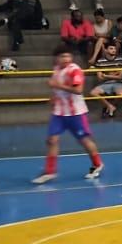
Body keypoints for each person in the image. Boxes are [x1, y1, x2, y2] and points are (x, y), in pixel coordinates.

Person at [31, 46, 104, 183]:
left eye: (68, 56)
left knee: (84, 140)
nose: (66, 59)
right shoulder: (56, 70)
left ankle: (97, 164)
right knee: (52, 140)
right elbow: (56, 89)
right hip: (59, 113)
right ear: (56, 58)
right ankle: (50, 171)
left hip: (76, 113)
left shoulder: (75, 70)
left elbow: (78, 90)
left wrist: (57, 86)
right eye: (62, 56)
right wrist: (53, 98)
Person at [89, 42, 122, 117]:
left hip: (118, 83)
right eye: (111, 48)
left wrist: (106, 75)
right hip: (105, 83)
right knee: (93, 93)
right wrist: (113, 74)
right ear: (106, 50)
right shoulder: (100, 61)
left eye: (114, 49)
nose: (114, 50)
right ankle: (109, 106)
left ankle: (110, 106)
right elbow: (100, 78)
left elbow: (120, 77)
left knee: (121, 94)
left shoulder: (121, 60)